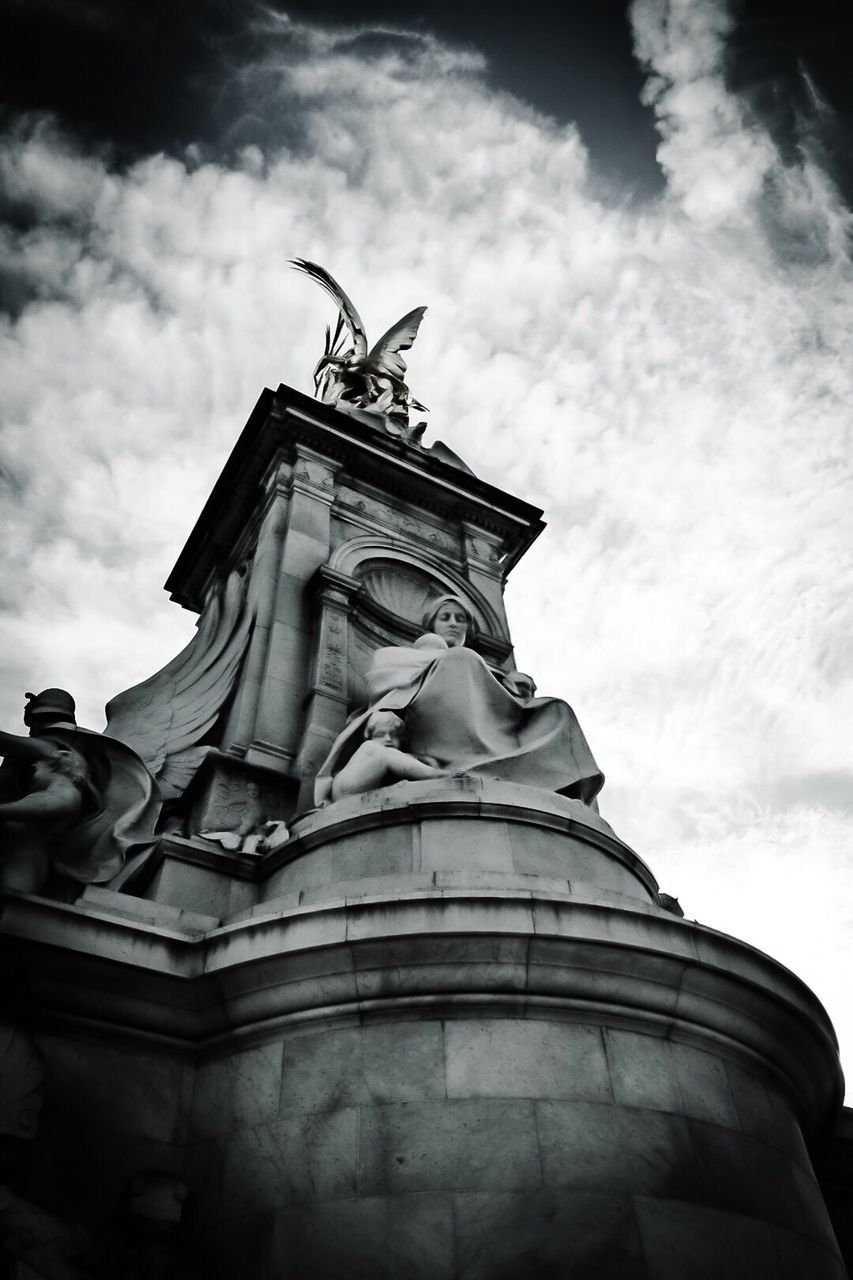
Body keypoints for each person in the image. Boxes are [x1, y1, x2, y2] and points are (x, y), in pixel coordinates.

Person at [314, 595, 604, 805]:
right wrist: (442, 661)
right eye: (446, 617)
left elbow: (505, 699)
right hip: (427, 719)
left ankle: (546, 781)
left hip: (495, 722)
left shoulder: (484, 667)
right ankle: (464, 768)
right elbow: (380, 685)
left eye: (460, 618)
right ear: (431, 626)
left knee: (557, 711)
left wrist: (514, 688)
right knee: (460, 658)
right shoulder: (398, 654)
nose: (453, 623)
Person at [0, 689, 160, 897]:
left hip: (23, 862)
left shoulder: (59, 754)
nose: (36, 768)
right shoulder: (61, 756)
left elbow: (60, 799)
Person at [328, 709, 446, 801]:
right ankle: (436, 775)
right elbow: (392, 756)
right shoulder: (369, 746)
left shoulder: (375, 765)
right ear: (369, 737)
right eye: (380, 735)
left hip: (353, 801)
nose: (388, 739)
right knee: (386, 755)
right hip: (347, 795)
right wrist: (424, 760)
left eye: (394, 735)